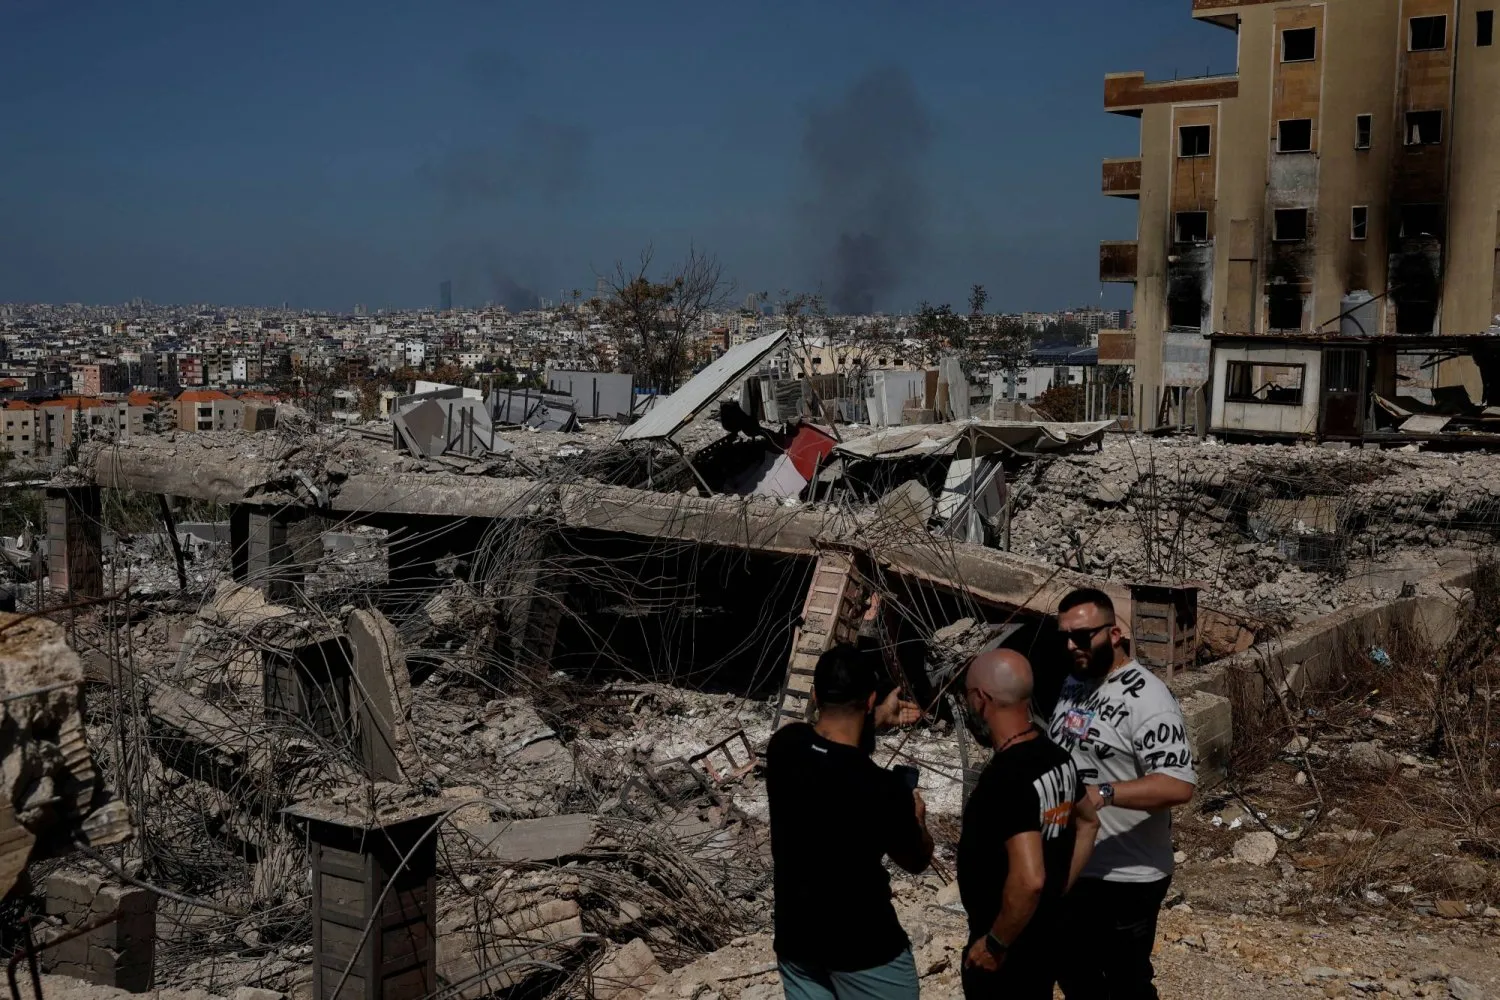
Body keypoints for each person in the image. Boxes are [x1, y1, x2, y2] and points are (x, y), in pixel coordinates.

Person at [1047, 588, 1197, 1000]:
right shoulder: (1074, 682)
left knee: (1125, 984)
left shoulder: (1149, 699)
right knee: (1074, 976)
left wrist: (1103, 793)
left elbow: (1177, 784)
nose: (1071, 646)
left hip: (1127, 875)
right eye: (1064, 636)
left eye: (1082, 636)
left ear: (1114, 633)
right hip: (1075, 864)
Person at [767, 643, 933, 1000]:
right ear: (871, 699)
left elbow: (828, 746)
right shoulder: (882, 788)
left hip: (797, 942)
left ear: (814, 695)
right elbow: (916, 860)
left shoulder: (784, 747)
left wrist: (875, 719)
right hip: (865, 949)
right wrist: (917, 818)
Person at [957, 649, 1099, 1000]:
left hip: (1008, 953)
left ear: (981, 699)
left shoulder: (1006, 779)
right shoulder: (1057, 756)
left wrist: (995, 945)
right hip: (1043, 937)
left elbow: (1030, 878)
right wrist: (1060, 889)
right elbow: (1089, 823)